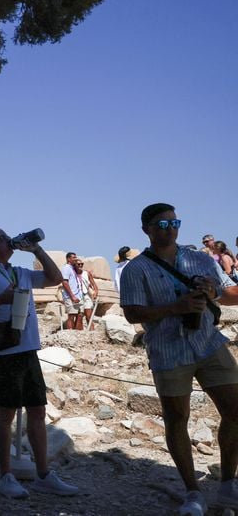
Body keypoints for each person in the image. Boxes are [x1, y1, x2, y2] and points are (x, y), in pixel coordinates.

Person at [121, 203, 238, 515]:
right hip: (169, 349)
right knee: (177, 420)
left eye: (175, 222)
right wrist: (177, 307)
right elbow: (132, 312)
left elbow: (228, 293)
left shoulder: (199, 258)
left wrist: (212, 290)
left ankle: (228, 483)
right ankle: (192, 491)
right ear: (146, 229)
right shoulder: (136, 269)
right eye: (162, 224)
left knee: (235, 410)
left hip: (208, 342)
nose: (170, 228)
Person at [0, 228, 78, 499]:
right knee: (5, 416)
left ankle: (44, 475)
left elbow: (55, 278)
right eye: (2, 237)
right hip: (4, 354)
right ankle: (6, 475)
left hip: (27, 351)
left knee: (37, 412)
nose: (8, 238)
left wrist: (36, 250)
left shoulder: (20, 272)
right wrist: (2, 298)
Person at [73, 258, 98, 328]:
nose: (80, 265)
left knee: (89, 315)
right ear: (75, 265)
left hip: (86, 295)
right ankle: (79, 333)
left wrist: (96, 292)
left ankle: (91, 331)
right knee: (79, 316)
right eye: (78, 264)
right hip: (77, 296)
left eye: (82, 264)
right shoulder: (72, 273)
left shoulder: (86, 273)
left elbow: (94, 284)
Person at [59, 252, 79, 329]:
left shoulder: (72, 269)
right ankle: (70, 333)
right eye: (73, 257)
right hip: (70, 296)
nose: (75, 259)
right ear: (68, 259)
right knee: (71, 316)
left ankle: (75, 333)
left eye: (75, 257)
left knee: (77, 315)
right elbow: (64, 282)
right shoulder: (66, 268)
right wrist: (72, 296)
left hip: (76, 296)